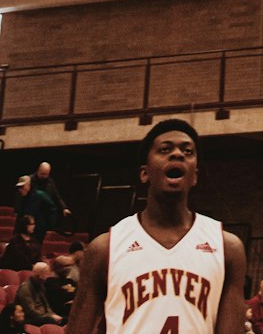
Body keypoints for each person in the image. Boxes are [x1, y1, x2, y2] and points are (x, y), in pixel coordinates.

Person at [63, 118, 246, 334]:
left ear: (194, 176)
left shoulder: (227, 247)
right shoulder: (105, 248)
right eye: (165, 149)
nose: (177, 154)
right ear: (145, 173)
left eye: (187, 151)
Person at [33, 164, 71, 233]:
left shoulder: (50, 182)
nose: (44, 176)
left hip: (44, 212)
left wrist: (64, 208)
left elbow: (57, 196)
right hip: (32, 211)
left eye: (46, 174)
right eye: (42, 174)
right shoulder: (30, 180)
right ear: (38, 170)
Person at [15, 176, 53, 243]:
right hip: (24, 232)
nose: (20, 190)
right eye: (19, 188)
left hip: (38, 232)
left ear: (28, 185)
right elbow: (19, 216)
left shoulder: (40, 195)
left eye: (22, 187)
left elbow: (52, 208)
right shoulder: (21, 198)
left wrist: (49, 226)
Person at [46, 257, 80, 321]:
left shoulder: (70, 281)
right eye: (66, 266)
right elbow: (60, 297)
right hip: (62, 315)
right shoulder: (50, 282)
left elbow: (79, 295)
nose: (69, 268)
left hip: (75, 312)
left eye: (70, 265)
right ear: (57, 268)